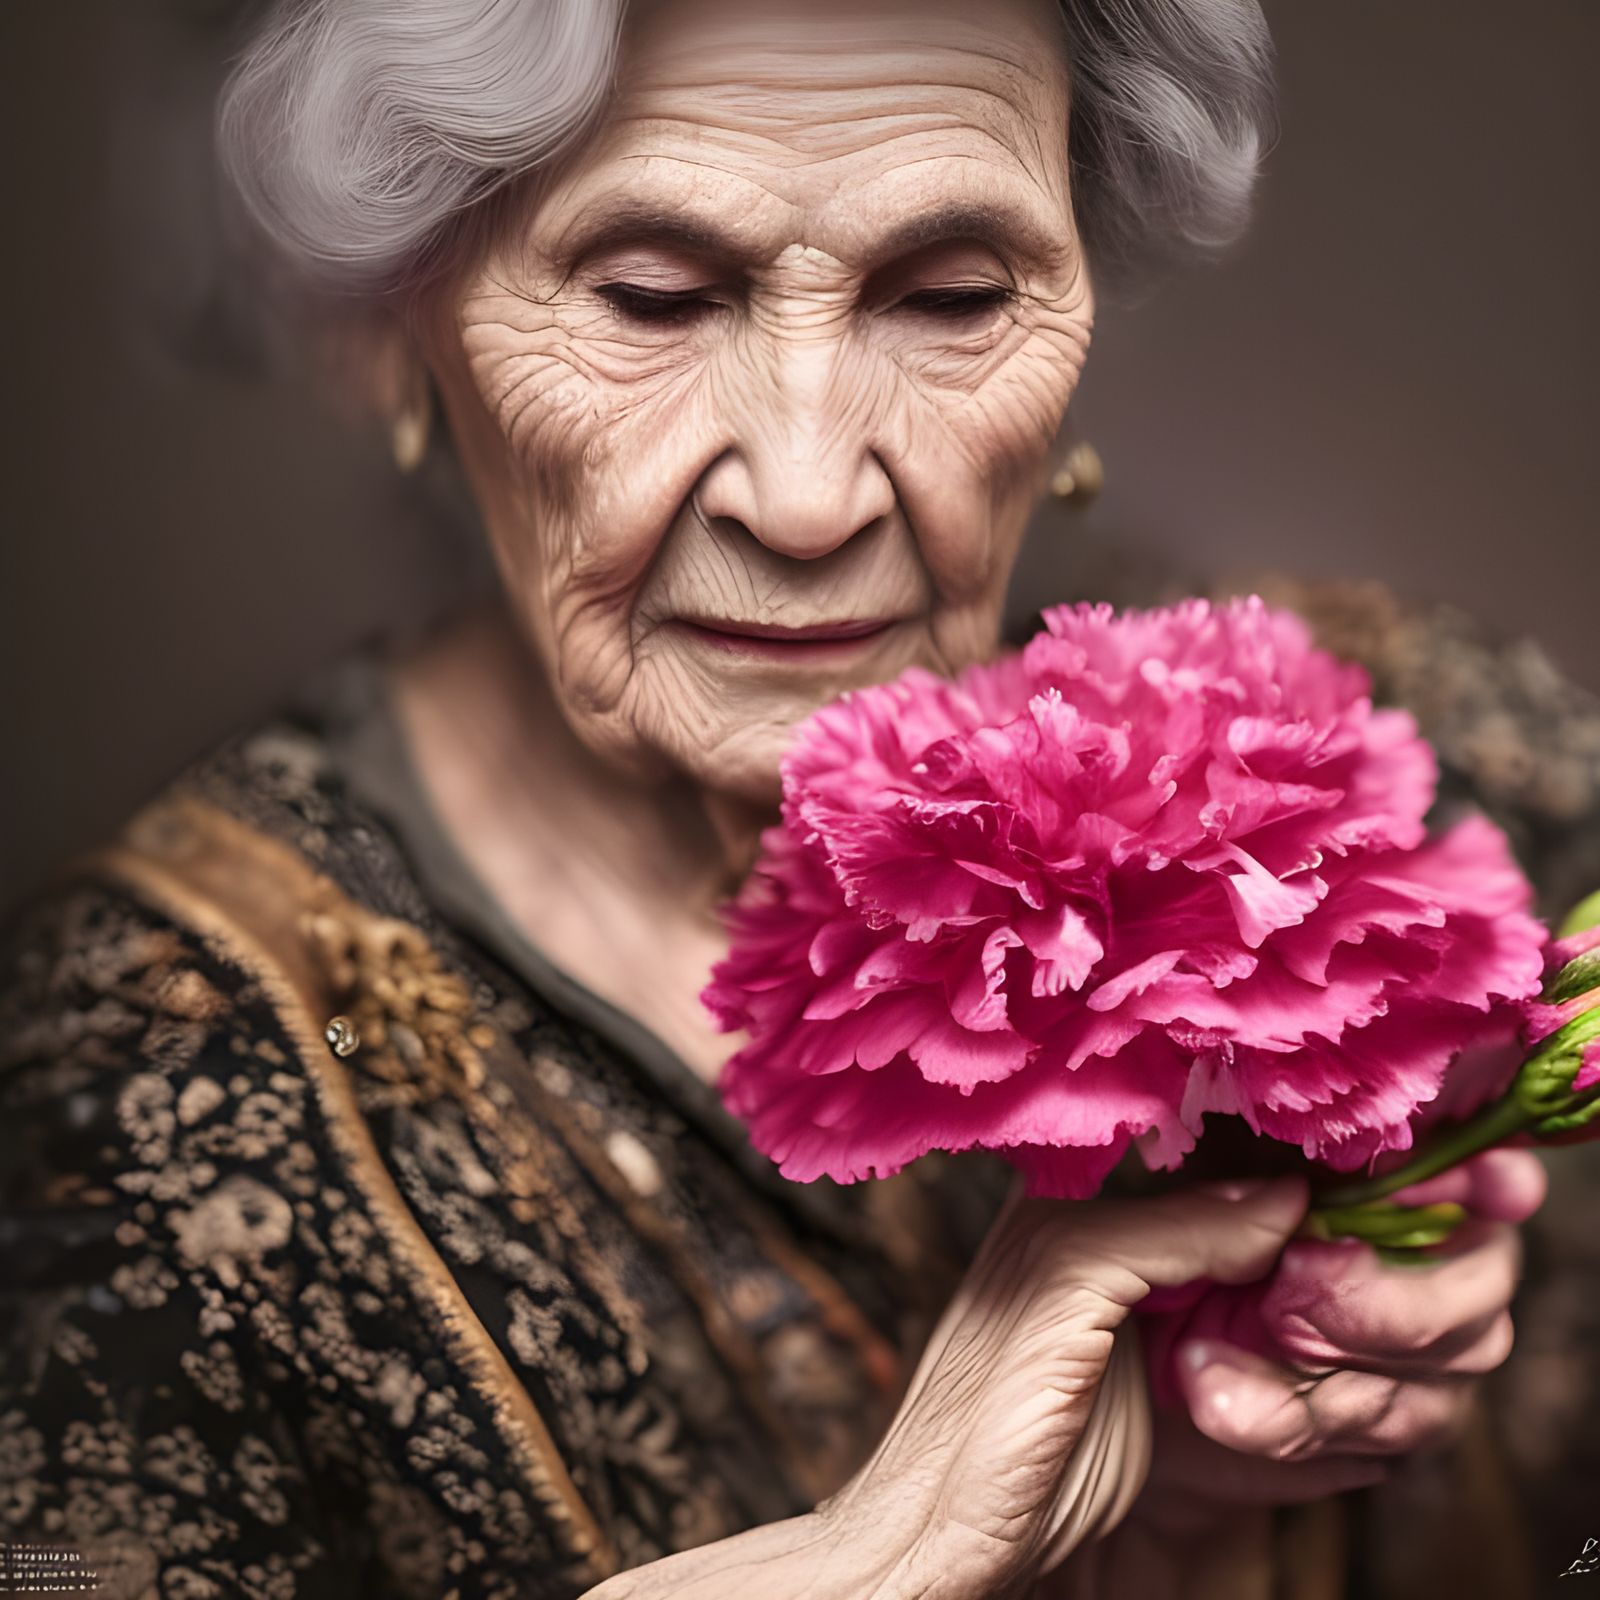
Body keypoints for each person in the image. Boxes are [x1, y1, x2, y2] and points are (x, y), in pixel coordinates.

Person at [0, 2, 1562, 1596]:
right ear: (387, 325)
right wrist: (875, 1565)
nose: (810, 497)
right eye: (652, 299)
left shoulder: (1431, 801)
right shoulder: (116, 1115)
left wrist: (1189, 1518)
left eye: (951, 298)